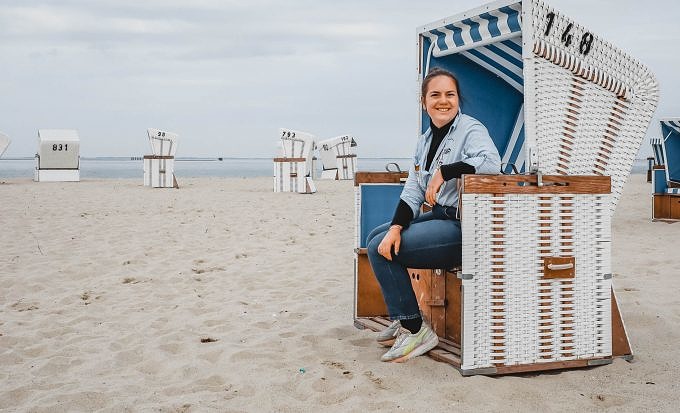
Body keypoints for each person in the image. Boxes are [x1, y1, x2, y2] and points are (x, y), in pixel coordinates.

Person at [366, 67, 501, 363]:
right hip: (441, 215)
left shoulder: (471, 129)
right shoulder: (425, 141)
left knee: (380, 249)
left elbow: (492, 164)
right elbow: (412, 192)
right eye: (435, 95)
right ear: (423, 101)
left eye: (450, 94)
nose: (443, 101)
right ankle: (405, 317)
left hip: (466, 225)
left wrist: (446, 171)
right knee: (377, 237)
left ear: (458, 99)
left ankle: (415, 329)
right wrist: (396, 227)